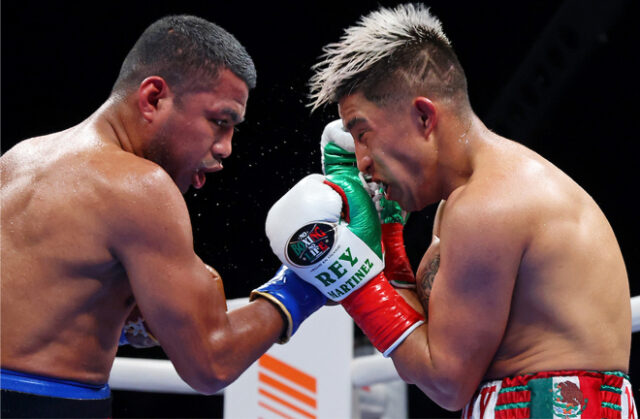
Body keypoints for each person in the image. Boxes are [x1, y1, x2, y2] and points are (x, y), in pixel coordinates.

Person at [272, 3, 636, 417]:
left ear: (424, 116)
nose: (361, 162)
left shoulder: (488, 206)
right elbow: (423, 346)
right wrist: (386, 238)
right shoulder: (466, 203)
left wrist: (346, 272)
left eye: (362, 133)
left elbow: (445, 382)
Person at [0, 15, 326, 418]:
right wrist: (305, 284)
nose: (225, 148)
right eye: (220, 122)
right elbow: (211, 364)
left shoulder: (19, 158)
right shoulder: (140, 186)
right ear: (153, 98)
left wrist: (120, 317)